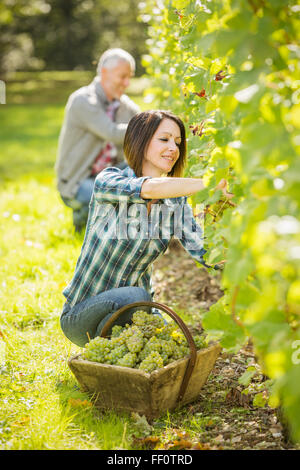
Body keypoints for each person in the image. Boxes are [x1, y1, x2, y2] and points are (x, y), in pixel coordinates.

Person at [60, 110, 233, 348]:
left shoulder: (175, 204)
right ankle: (104, 349)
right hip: (81, 317)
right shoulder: (109, 182)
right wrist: (210, 184)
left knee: (176, 341)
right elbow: (147, 189)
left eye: (178, 142)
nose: (173, 148)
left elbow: (205, 252)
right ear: (141, 140)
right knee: (135, 296)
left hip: (134, 310)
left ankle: (122, 353)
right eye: (164, 139)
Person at [55, 48, 140, 232]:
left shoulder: (124, 105)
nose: (127, 83)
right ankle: (85, 216)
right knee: (119, 193)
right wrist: (147, 128)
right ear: (104, 72)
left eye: (130, 77)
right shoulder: (83, 100)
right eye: (122, 76)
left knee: (141, 173)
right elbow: (111, 132)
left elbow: (143, 120)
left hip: (108, 174)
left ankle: (98, 220)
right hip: (78, 181)